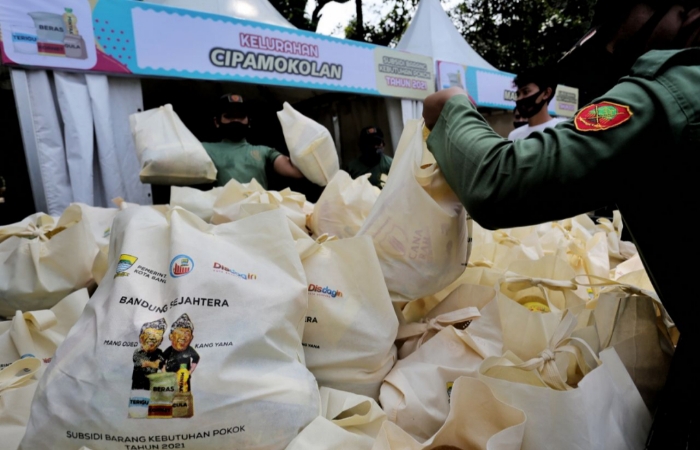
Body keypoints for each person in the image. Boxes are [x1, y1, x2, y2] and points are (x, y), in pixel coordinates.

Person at [422, 1, 700, 448]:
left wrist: (453, 108)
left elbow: (502, 181)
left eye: (618, 23)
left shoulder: (670, 93)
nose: (612, 47)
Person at [203, 94, 304, 189]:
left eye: (241, 116)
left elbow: (295, 171)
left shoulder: (264, 151)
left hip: (258, 202)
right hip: (223, 202)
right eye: (229, 116)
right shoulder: (204, 149)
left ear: (249, 121)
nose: (236, 120)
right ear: (216, 122)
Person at [507, 66, 566, 140]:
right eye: (518, 94)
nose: (519, 98)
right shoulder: (514, 136)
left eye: (525, 92)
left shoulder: (563, 130)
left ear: (546, 93)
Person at [163, 314, 200, 392]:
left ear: (191, 337)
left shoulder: (189, 350)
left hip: (184, 380)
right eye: (179, 332)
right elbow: (161, 360)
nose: (183, 337)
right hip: (170, 380)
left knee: (184, 396)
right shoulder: (169, 350)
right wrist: (165, 373)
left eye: (187, 333)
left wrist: (190, 372)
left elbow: (196, 358)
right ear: (171, 336)